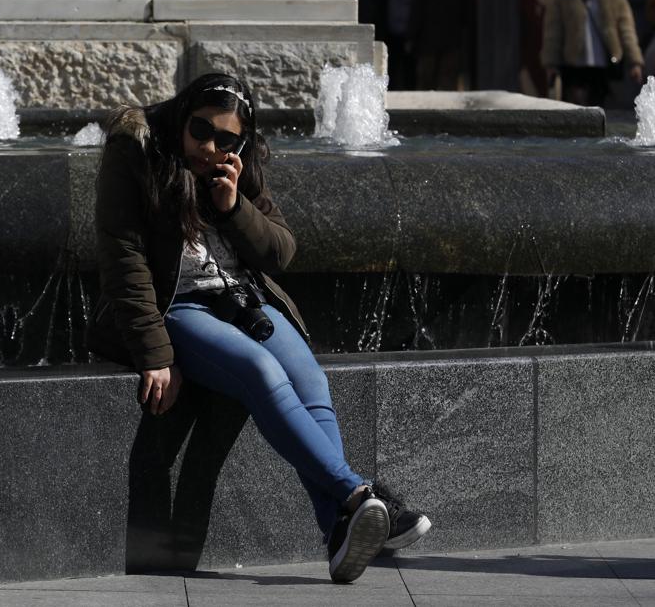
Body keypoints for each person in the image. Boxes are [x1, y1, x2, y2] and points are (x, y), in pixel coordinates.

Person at [87, 73, 431, 584]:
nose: (208, 147)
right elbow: (123, 257)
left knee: (311, 381)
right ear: (182, 117)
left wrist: (233, 208)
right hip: (175, 308)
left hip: (240, 301)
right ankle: (359, 495)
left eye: (224, 139)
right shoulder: (135, 151)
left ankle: (337, 530)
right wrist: (155, 354)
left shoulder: (234, 166)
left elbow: (280, 251)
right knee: (261, 369)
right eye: (200, 131)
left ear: (240, 140)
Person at [543, 0, 643, 106]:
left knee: (603, 112)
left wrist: (635, 61)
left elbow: (626, 29)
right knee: (577, 111)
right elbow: (553, 32)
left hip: (604, 65)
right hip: (574, 65)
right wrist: (551, 63)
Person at [407, 0, 469, 90]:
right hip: (452, 42)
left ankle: (425, 112)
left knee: (426, 82)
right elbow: (465, 14)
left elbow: (416, 13)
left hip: (427, 42)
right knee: (447, 83)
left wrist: (410, 37)